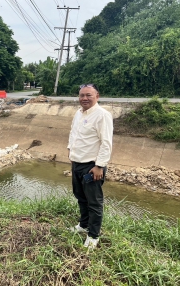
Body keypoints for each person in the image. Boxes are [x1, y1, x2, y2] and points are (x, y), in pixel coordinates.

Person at [67, 83, 113, 250]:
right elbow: (73, 133)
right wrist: (70, 150)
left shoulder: (102, 115)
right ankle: (83, 225)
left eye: (88, 95)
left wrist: (100, 166)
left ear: (97, 96)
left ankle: (93, 235)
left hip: (92, 166)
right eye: (82, 95)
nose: (84, 98)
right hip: (77, 163)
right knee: (80, 196)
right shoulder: (78, 113)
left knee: (94, 202)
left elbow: (106, 143)